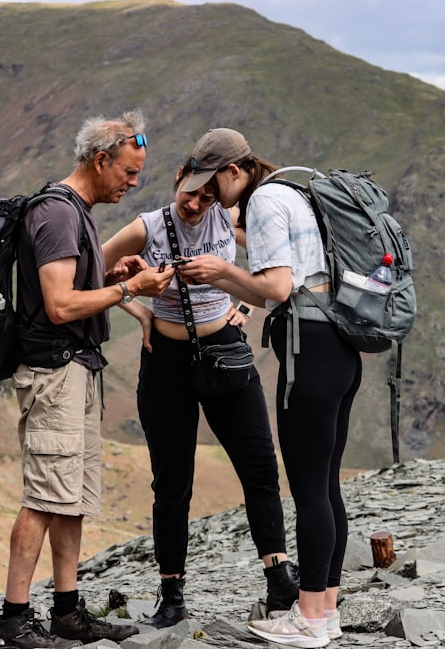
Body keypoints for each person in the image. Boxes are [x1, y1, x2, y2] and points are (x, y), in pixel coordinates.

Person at [0, 110, 176, 649]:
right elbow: (58, 304)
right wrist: (130, 290)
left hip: (77, 369)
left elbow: (75, 281)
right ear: (100, 161)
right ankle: (14, 619)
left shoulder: (76, 210)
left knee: (70, 495)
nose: (133, 182)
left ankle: (67, 613)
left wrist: (112, 274)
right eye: (127, 171)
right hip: (54, 373)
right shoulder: (56, 213)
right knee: (44, 495)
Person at [175, 128, 360, 648]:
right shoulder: (294, 193)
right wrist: (220, 277)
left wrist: (221, 269)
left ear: (235, 170)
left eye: (214, 183)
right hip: (338, 346)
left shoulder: (264, 201)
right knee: (326, 486)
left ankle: (306, 619)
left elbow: (276, 288)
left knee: (307, 489)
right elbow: (282, 280)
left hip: (308, 350)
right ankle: (325, 613)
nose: (211, 195)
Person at [101, 157, 299, 628]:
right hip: (165, 361)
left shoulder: (231, 218)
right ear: (177, 180)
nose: (195, 203)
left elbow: (272, 276)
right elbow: (93, 270)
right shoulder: (145, 227)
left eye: (207, 196)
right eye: (189, 192)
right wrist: (139, 307)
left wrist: (244, 310)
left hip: (225, 352)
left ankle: (280, 581)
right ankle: (171, 594)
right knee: (172, 483)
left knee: (259, 465)